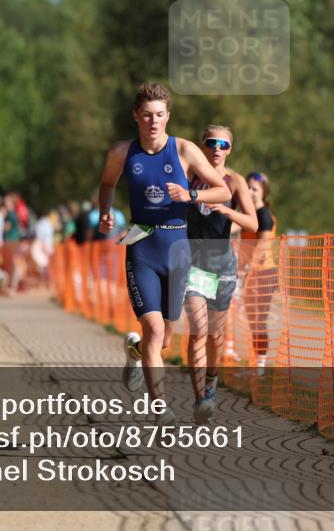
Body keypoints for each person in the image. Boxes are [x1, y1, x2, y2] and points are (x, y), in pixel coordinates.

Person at [96, 81, 230, 424]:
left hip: (177, 249)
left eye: (159, 115)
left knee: (165, 336)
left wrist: (191, 197)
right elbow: (108, 184)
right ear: (136, 117)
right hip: (142, 245)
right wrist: (106, 212)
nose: (153, 122)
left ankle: (136, 352)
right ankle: (161, 411)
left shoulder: (184, 150)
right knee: (154, 330)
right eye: (146, 116)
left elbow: (221, 192)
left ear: (168, 116)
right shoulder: (122, 153)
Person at [184, 125, 258, 423]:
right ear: (202, 146)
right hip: (193, 264)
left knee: (215, 336)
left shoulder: (235, 181)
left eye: (223, 144)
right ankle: (201, 397)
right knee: (198, 331)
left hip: (222, 264)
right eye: (211, 142)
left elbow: (252, 222)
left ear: (230, 149)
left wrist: (228, 212)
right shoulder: (189, 177)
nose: (217, 148)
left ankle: (211, 383)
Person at [241, 171, 279, 374]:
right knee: (252, 319)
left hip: (264, 273)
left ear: (264, 193)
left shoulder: (264, 215)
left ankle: (261, 367)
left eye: (255, 189)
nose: (250, 192)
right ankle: (256, 362)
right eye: (247, 187)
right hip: (250, 273)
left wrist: (247, 270)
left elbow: (262, 247)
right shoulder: (248, 215)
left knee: (260, 319)